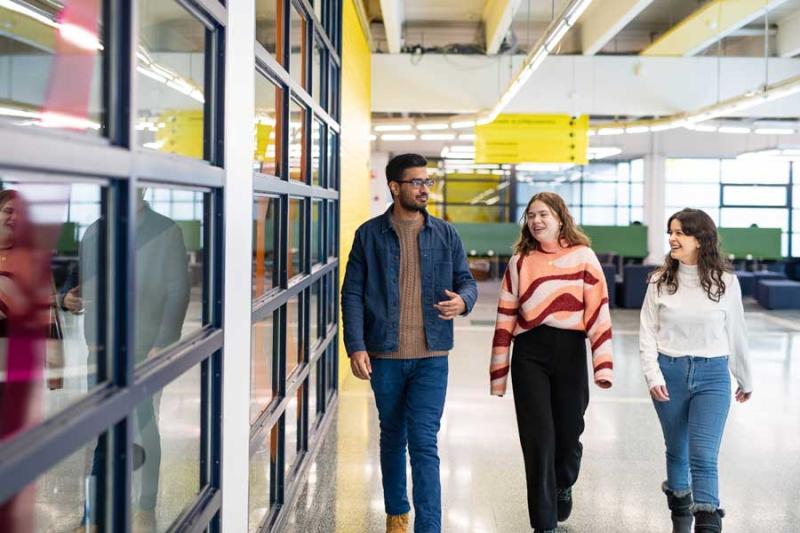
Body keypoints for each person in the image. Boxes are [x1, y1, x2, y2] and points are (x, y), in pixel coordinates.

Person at [341, 153, 477, 533]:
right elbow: (351, 293)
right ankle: (397, 512)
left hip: (432, 355)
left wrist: (464, 300)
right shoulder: (369, 235)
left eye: (427, 182)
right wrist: (356, 345)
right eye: (416, 182)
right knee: (392, 434)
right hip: (385, 355)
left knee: (424, 441)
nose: (424, 189)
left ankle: (428, 527)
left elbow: (466, 280)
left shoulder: (445, 233)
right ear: (394, 187)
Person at [490, 191, 613, 533]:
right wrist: (498, 373)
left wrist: (603, 365)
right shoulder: (519, 262)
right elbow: (505, 317)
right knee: (538, 437)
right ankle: (543, 524)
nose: (537, 220)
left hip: (571, 350)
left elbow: (599, 311)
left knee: (569, 432)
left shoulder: (584, 257)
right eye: (531, 215)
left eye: (543, 214)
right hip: (530, 352)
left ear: (560, 218)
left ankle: (563, 481)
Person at [71, 190, 190, 533]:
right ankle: (92, 515)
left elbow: (178, 290)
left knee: (144, 427)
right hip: (102, 349)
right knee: (102, 431)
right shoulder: (95, 231)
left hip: (145, 348)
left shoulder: (166, 230)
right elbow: (86, 283)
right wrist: (71, 297)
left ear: (140, 189)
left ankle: (145, 507)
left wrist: (162, 344)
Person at [640, 208, 752, 533]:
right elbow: (647, 332)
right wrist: (653, 375)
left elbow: (737, 332)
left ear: (700, 240)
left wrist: (745, 377)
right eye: (670, 232)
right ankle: (680, 521)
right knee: (677, 450)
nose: (672, 239)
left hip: (713, 375)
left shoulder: (726, 282)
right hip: (669, 373)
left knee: (703, 453)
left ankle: (708, 525)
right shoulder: (659, 281)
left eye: (680, 233)